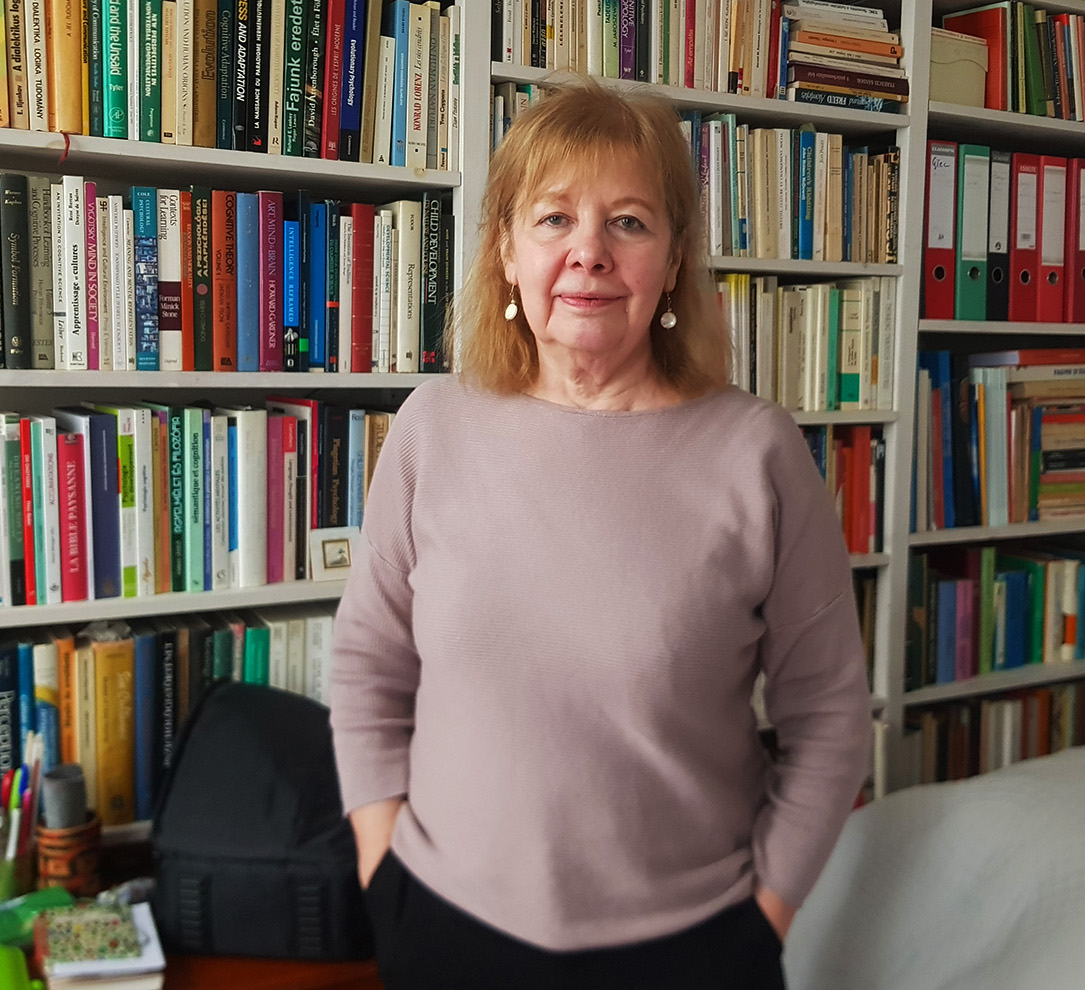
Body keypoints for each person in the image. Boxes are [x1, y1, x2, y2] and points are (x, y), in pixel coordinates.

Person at [329, 75, 872, 990]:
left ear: (672, 259)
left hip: (693, 948)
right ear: (505, 250)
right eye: (553, 220)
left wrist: (763, 918)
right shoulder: (434, 428)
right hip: (442, 928)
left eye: (628, 222)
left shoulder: (757, 453)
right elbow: (367, 667)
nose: (589, 254)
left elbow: (829, 723)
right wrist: (382, 867)